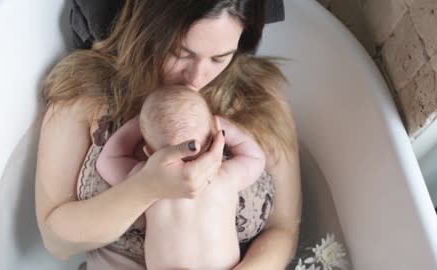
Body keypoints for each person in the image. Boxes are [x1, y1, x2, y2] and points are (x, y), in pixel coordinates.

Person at [35, 0, 302, 269]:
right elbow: (55, 241)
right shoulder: (85, 97)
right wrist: (145, 188)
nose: (197, 77)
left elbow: (283, 229)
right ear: (149, 28)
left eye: (219, 58)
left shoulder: (260, 100)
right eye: (181, 53)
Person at [96, 86, 266, 269]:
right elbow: (255, 157)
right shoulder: (225, 175)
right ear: (213, 140)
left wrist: (137, 125)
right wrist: (222, 128)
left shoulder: (147, 178)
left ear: (148, 151)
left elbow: (107, 161)